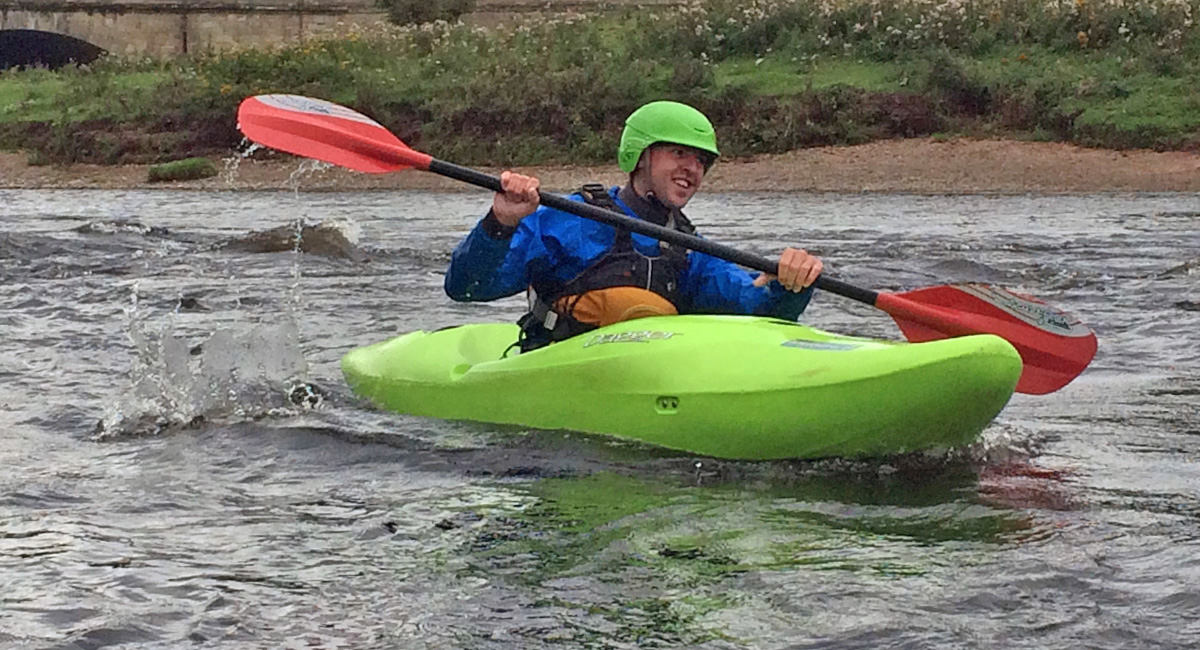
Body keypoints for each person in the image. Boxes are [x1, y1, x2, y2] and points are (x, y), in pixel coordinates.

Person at [445, 100, 824, 351]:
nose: (691, 169)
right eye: (679, 153)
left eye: (701, 161)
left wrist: (788, 286)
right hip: (554, 368)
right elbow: (466, 289)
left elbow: (752, 307)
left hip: (643, 382)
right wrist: (501, 223)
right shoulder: (567, 219)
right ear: (640, 157)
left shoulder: (688, 249)